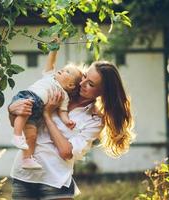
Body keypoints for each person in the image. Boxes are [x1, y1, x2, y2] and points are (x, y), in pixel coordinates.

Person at [8, 52, 135, 199]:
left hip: (55, 181)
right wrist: (12, 109)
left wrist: (47, 115)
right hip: (23, 176)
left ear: (102, 93)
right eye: (85, 76)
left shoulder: (94, 120)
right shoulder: (58, 90)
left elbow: (66, 152)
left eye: (90, 84)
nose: (82, 83)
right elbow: (18, 122)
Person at [10, 49, 82, 170]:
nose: (62, 70)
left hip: (37, 112)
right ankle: (16, 136)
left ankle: (27, 159)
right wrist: (54, 49)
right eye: (63, 69)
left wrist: (67, 121)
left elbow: (62, 111)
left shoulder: (64, 96)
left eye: (67, 72)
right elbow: (51, 63)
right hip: (29, 96)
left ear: (70, 85)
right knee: (25, 111)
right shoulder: (50, 77)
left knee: (32, 135)